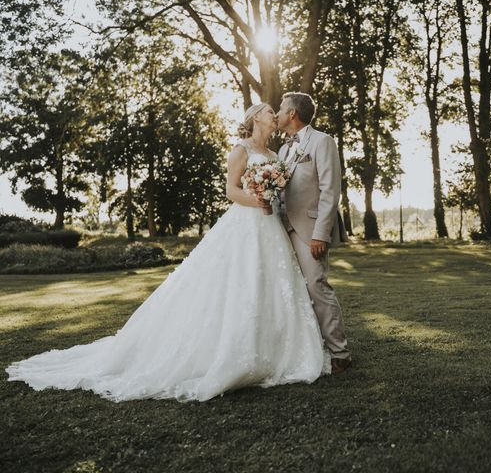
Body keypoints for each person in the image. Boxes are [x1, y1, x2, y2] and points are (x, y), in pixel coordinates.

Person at [6, 103, 329, 402]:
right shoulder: (240, 150)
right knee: (238, 282)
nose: (276, 115)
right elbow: (231, 190)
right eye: (270, 111)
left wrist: (269, 198)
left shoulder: (274, 152)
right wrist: (256, 199)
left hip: (270, 227)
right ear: (256, 117)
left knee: (273, 284)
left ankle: (277, 350)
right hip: (246, 223)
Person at [276, 92, 352, 374]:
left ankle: (340, 353)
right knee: (293, 290)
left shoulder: (322, 142)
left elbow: (330, 191)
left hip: (310, 229)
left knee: (317, 287)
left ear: (293, 114)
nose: (278, 113)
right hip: (282, 229)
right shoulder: (283, 150)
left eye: (282, 109)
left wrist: (321, 233)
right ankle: (307, 349)